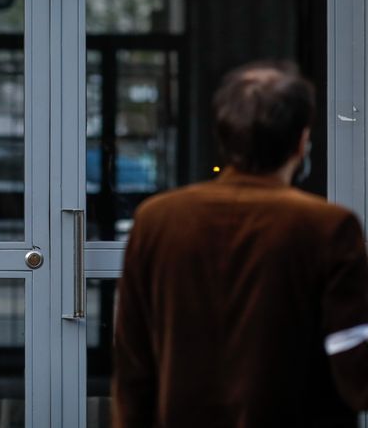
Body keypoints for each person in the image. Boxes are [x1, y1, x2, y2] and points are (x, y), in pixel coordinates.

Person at [113, 62, 368, 427]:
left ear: (223, 136)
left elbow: (133, 364)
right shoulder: (328, 226)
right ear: (301, 141)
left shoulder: (157, 219)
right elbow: (354, 364)